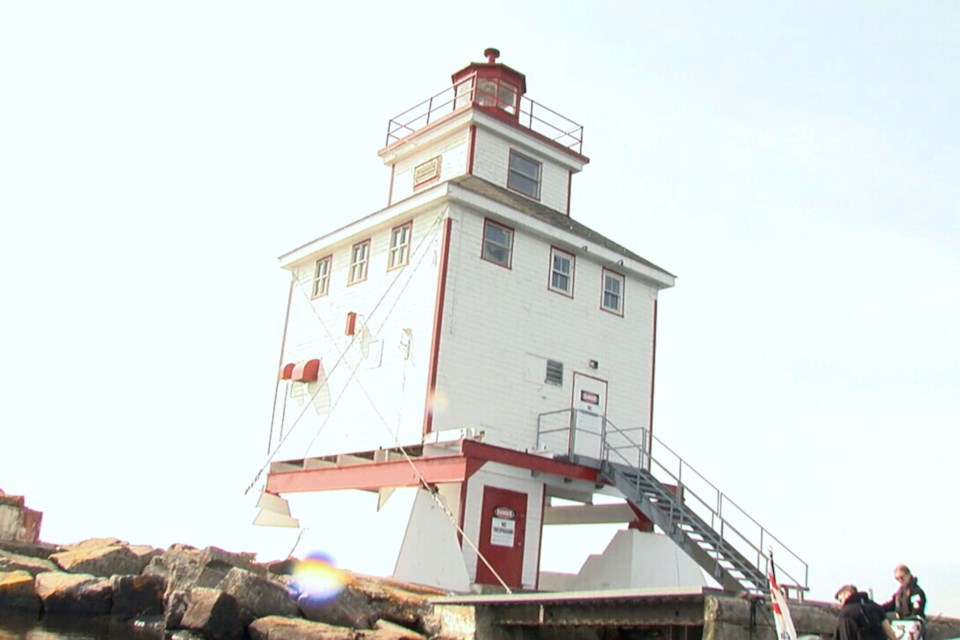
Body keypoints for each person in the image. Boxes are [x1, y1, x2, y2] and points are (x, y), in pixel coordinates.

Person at [833, 584, 898, 640]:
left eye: (841, 600)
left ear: (848, 594)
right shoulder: (875, 606)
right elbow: (888, 630)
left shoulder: (846, 612)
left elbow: (846, 636)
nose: (841, 603)